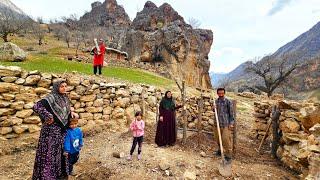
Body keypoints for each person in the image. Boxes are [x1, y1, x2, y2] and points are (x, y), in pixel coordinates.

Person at [32, 80, 78, 180]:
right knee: (49, 154)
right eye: (62, 86)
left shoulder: (65, 97)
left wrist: (72, 113)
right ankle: (47, 176)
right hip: (50, 132)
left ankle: (59, 175)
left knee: (61, 153)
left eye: (65, 86)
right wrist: (48, 116)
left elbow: (65, 110)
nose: (64, 88)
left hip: (62, 131)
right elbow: (36, 106)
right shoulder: (51, 97)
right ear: (57, 87)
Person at [213, 87, 235, 162]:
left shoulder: (228, 102)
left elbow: (231, 114)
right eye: (219, 93)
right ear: (217, 94)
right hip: (217, 124)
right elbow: (214, 111)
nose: (221, 94)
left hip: (226, 124)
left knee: (226, 140)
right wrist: (214, 108)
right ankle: (220, 151)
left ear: (224, 93)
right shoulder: (216, 101)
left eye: (222, 93)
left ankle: (228, 155)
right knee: (218, 139)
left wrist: (231, 123)